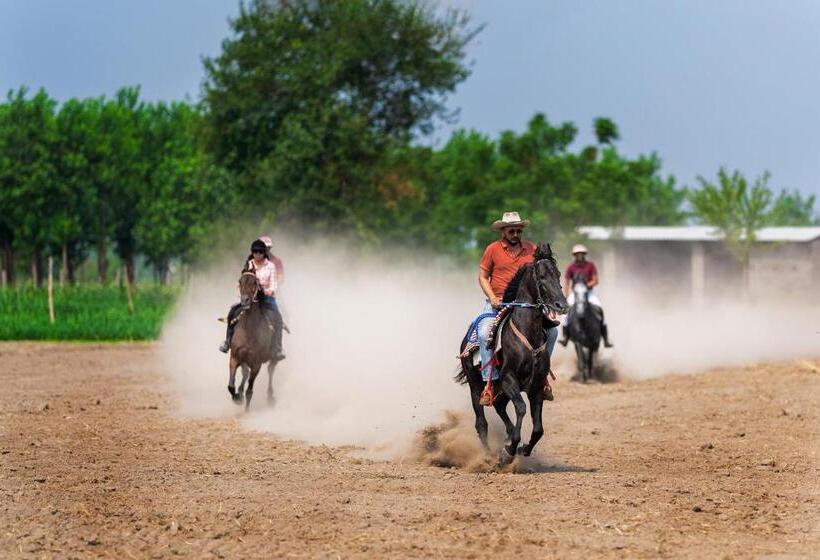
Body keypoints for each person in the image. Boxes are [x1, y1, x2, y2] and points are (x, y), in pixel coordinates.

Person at [476, 211, 559, 405]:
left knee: (553, 332)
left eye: (518, 231)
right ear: (503, 231)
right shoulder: (492, 249)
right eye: (511, 231)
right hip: (498, 303)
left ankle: (542, 374)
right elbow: (482, 277)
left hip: (527, 305)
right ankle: (489, 383)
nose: (515, 234)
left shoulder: (531, 249)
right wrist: (492, 297)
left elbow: (543, 276)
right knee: (483, 332)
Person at [219, 238, 286, 360]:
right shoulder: (249, 264)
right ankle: (227, 342)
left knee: (278, 317)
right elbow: (244, 278)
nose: (258, 254)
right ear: (252, 252)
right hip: (250, 297)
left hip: (266, 298)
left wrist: (269, 290)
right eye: (255, 251)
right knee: (233, 312)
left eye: (261, 251)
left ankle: (277, 347)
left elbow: (274, 282)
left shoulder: (271, 265)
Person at [558, 244, 614, 348]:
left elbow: (595, 280)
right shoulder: (571, 267)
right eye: (577, 254)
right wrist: (566, 295)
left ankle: (606, 338)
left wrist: (585, 286)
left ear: (584, 254)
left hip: (588, 293)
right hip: (575, 294)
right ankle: (565, 337)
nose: (579, 256)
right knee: (565, 314)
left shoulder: (590, 265)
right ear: (574, 255)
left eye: (581, 254)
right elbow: (566, 282)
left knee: (600, 309)